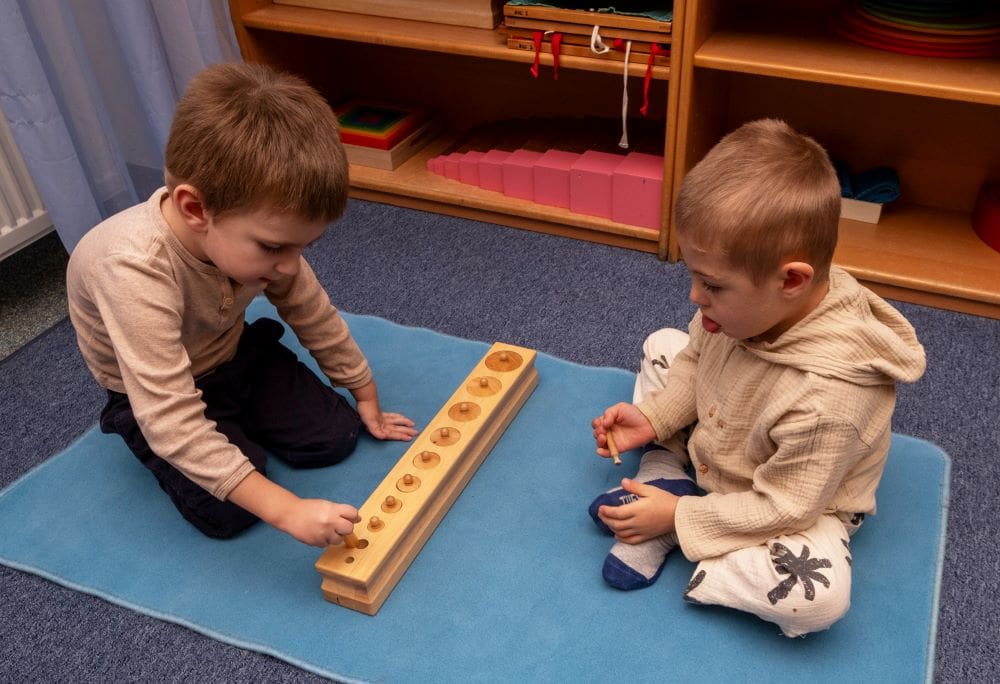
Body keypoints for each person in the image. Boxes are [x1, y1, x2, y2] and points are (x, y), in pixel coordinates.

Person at [588, 119, 926, 637]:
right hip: (729, 431)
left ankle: (676, 514)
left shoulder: (829, 401)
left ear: (791, 280)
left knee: (816, 601)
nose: (695, 297)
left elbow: (785, 506)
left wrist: (679, 520)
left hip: (792, 502)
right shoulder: (745, 308)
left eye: (713, 285)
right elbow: (697, 361)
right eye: (693, 276)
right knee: (664, 344)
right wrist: (654, 419)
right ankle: (668, 470)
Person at [67, 62, 417, 548]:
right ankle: (172, 440)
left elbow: (311, 310)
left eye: (304, 248)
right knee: (231, 513)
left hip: (233, 354)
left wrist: (363, 389)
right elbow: (170, 416)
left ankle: (239, 420)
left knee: (335, 438)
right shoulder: (130, 268)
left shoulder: (265, 246)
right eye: (275, 248)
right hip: (156, 392)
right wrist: (288, 510)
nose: (291, 266)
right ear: (195, 209)